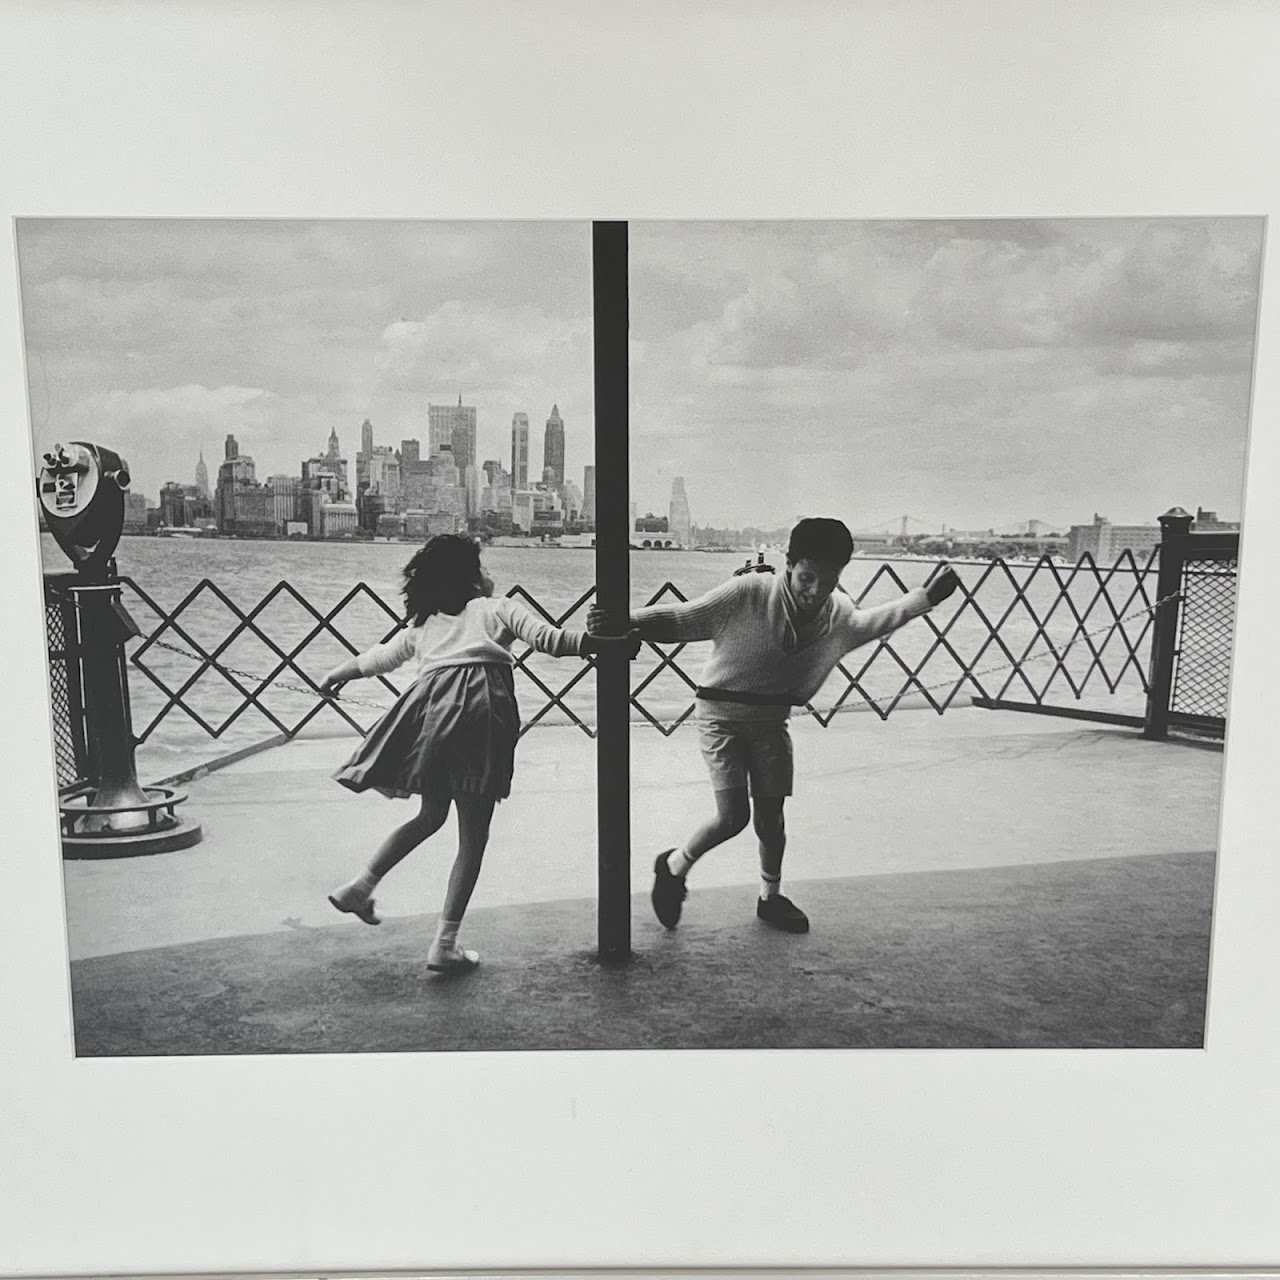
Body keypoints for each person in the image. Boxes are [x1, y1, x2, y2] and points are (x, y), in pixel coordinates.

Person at [588, 517, 959, 935]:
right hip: (720, 716)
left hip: (772, 721)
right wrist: (621, 621)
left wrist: (926, 598)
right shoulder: (749, 593)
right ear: (788, 563)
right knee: (732, 818)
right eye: (806, 578)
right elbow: (681, 619)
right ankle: (673, 867)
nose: (815, 592)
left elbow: (876, 621)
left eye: (829, 581)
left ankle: (770, 897)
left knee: (771, 820)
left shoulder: (837, 616)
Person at [319, 534, 630, 973]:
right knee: (473, 839)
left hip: (431, 717)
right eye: (482, 567)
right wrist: (609, 644)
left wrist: (337, 674)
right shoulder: (496, 608)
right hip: (481, 715)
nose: (489, 575)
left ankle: (361, 885)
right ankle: (444, 945)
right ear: (470, 578)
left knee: (430, 817)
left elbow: (379, 659)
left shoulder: (423, 626)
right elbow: (550, 640)